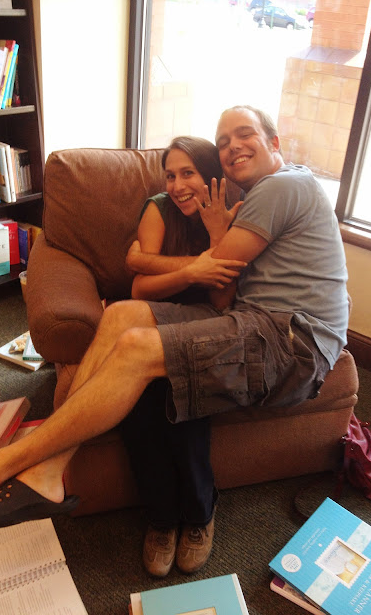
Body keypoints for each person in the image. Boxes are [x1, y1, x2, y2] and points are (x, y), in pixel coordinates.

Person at [0, 106, 349, 557]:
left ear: (274, 142)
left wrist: (175, 247)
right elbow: (203, 285)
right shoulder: (238, 199)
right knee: (122, 315)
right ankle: (46, 473)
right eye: (224, 141)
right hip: (253, 321)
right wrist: (167, 259)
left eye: (245, 134)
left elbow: (217, 269)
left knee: (136, 348)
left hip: (294, 342)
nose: (233, 146)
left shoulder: (281, 187)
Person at [121, 136, 243, 576]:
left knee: (185, 396)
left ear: (211, 175)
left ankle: (198, 513)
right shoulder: (159, 208)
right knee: (142, 401)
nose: (176, 185)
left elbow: (223, 301)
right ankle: (161, 518)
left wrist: (218, 236)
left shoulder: (233, 216)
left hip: (203, 324)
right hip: (153, 316)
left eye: (188, 173)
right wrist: (193, 269)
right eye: (170, 175)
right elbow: (139, 288)